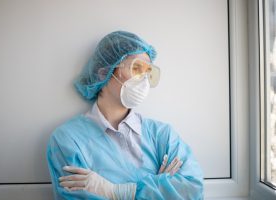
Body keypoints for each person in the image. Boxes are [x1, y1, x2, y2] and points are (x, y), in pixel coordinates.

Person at [46, 30, 204, 200]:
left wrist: (117, 192)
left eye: (148, 72)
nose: (144, 79)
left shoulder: (163, 135)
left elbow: (192, 190)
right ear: (104, 72)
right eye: (136, 68)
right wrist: (160, 186)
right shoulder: (68, 140)